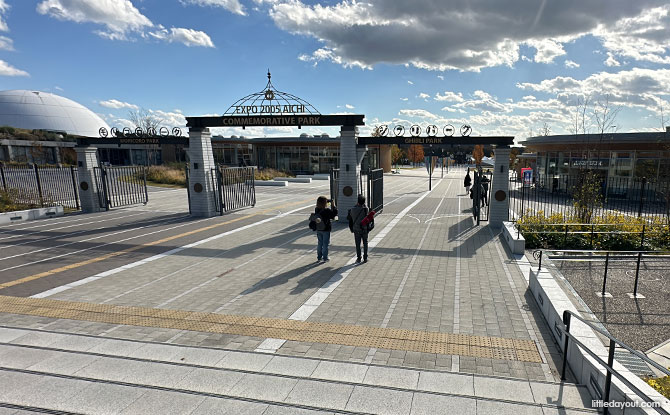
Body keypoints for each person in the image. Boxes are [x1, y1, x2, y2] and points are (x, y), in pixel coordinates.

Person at [314, 196, 337, 262]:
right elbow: (334, 215)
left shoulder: (316, 209)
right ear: (325, 203)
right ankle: (325, 258)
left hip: (319, 228)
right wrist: (333, 205)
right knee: (325, 244)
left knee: (320, 243)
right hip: (326, 229)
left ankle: (319, 257)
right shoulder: (327, 210)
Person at [347, 195, 369, 263]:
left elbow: (349, 218)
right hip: (364, 228)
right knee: (365, 242)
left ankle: (359, 257)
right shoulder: (365, 209)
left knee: (357, 243)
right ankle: (365, 257)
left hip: (356, 229)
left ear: (358, 202)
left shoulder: (353, 209)